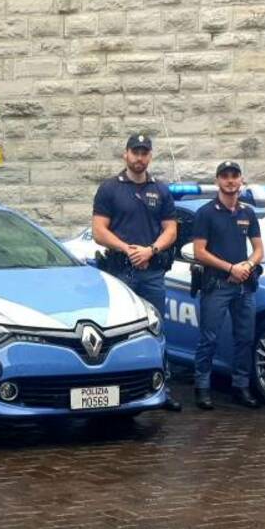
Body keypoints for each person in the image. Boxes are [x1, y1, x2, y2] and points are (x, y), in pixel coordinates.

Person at [92, 133, 181, 411]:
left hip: (152, 272)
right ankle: (113, 389)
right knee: (117, 331)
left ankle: (160, 388)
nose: (139, 157)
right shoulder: (110, 188)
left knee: (155, 331)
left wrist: (150, 251)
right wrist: (128, 249)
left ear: (150, 156)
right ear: (125, 154)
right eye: (135, 152)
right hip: (120, 273)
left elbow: (171, 230)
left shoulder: (161, 190)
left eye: (144, 152)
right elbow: (98, 231)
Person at [191, 160, 265, 411]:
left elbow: (258, 250)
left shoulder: (248, 213)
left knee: (244, 338)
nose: (230, 180)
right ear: (217, 181)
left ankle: (240, 387)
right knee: (208, 338)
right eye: (225, 176)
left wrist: (247, 266)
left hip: (244, 285)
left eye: (235, 176)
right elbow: (199, 252)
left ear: (241, 180)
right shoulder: (206, 213)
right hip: (217, 285)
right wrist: (230, 269)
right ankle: (202, 388)